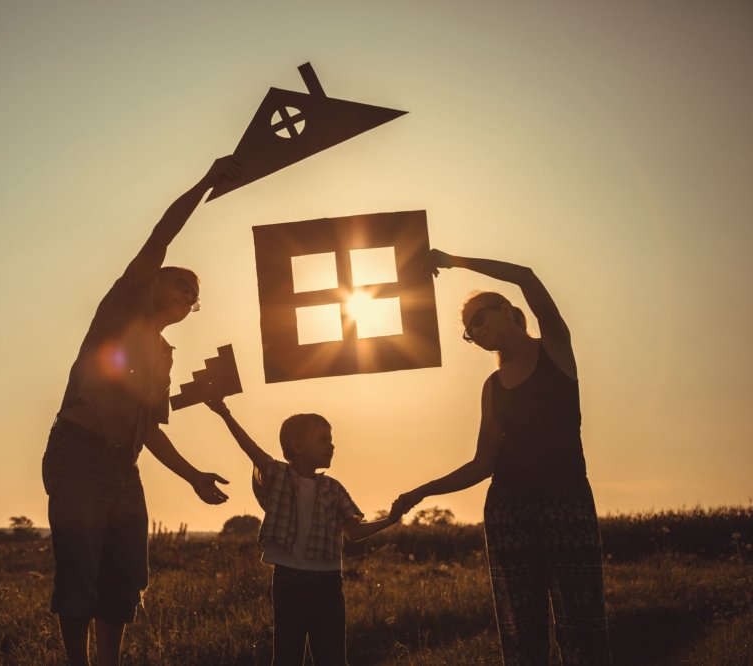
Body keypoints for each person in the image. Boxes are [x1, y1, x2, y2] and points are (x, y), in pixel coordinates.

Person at [42, 156, 242, 666]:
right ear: (153, 283)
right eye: (183, 287)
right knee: (79, 570)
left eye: (195, 298)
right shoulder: (120, 310)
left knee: (124, 575)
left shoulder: (163, 355)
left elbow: (149, 428)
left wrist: (193, 475)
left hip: (122, 469)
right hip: (78, 456)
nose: (189, 298)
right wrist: (207, 181)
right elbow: (161, 237)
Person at [393, 249, 612, 665]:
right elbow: (482, 464)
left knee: (583, 626)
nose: (474, 330)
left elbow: (527, 276)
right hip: (509, 511)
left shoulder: (555, 351)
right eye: (468, 330)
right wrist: (421, 492)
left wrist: (454, 261)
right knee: (522, 632)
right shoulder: (493, 387)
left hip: (567, 503)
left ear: (509, 311)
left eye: (479, 318)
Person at [206, 397, 404, 665]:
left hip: (329, 583)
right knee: (287, 657)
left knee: (332, 658)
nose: (331, 445)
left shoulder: (334, 488)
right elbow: (249, 448)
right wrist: (224, 413)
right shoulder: (277, 475)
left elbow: (354, 532)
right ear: (297, 448)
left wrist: (391, 520)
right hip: (289, 581)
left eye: (331, 439)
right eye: (322, 439)